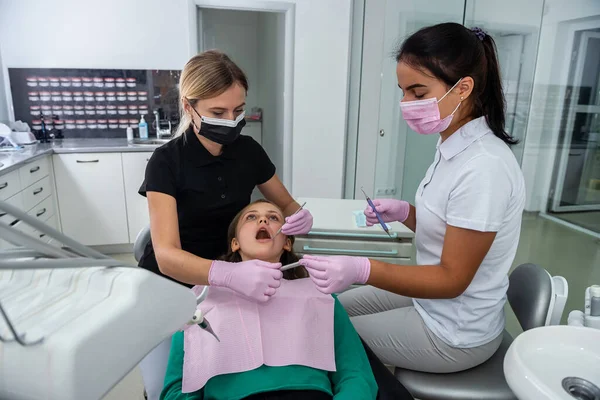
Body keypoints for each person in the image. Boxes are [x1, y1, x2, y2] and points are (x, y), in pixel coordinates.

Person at [300, 23, 526, 374]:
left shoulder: (485, 167)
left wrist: (364, 269)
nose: (406, 104)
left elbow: (452, 280)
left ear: (463, 88)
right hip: (432, 302)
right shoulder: (453, 145)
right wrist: (407, 213)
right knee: (329, 305)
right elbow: (453, 231)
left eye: (418, 93)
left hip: (454, 331)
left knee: (322, 331)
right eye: (403, 91)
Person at [137, 51, 314, 400]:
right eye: (218, 112)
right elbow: (168, 256)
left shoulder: (248, 151)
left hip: (230, 281)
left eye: (238, 110)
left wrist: (298, 216)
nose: (231, 121)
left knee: (233, 371)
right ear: (189, 106)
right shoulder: (165, 163)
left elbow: (287, 203)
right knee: (164, 387)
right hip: (170, 286)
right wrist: (228, 274)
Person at [160, 200, 378, 400]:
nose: (263, 220)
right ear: (235, 243)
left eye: (274, 218)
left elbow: (356, 375)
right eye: (251, 217)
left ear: (287, 243)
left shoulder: (319, 295)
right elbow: (176, 389)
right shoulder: (200, 301)